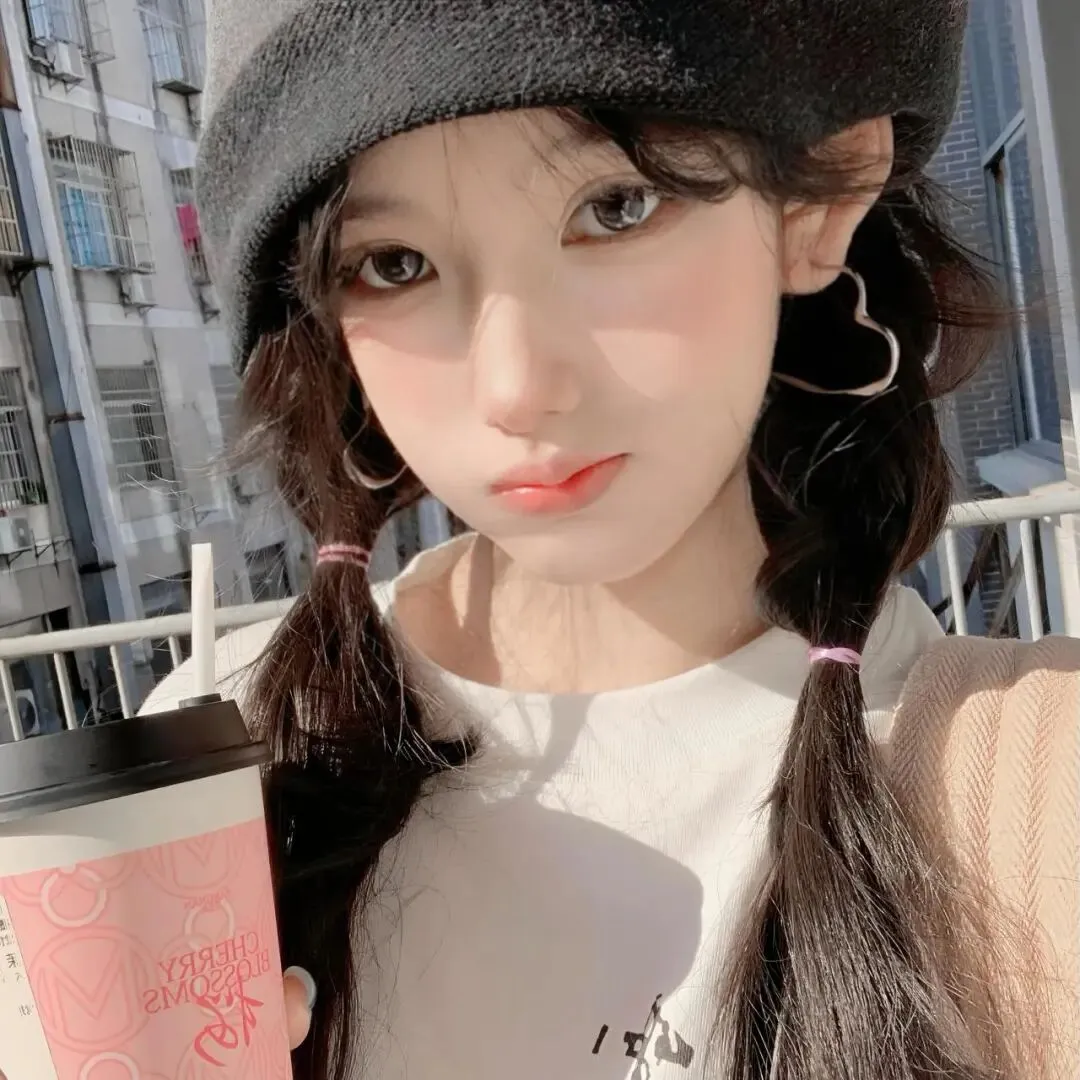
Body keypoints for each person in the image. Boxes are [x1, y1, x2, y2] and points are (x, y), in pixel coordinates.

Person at [143, 1, 1080, 1078]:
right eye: (395, 264)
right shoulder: (211, 769)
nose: (516, 387)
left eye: (615, 208)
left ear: (819, 195)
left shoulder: (1032, 797)